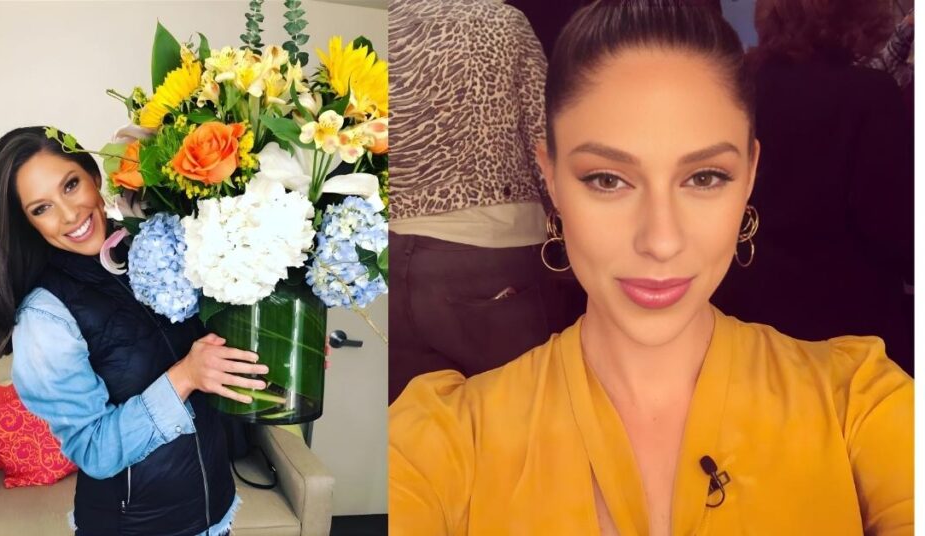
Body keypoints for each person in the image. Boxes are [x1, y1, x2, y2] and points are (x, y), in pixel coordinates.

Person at [388, 2, 913, 535]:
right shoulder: (442, 440)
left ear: (750, 174)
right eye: (607, 180)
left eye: (705, 177)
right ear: (550, 177)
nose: (661, 241)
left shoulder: (860, 404)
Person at [0, 126, 268, 535]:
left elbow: (213, 344)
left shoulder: (150, 244)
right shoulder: (45, 318)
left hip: (213, 513)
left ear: (93, 176)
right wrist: (184, 376)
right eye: (41, 208)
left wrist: (281, 338)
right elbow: (94, 449)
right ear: (26, 224)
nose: (70, 214)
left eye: (71, 185)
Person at [388, 0, 583, 404]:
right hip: (491, 258)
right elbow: (547, 142)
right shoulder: (501, 21)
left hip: (392, 258)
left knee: (416, 431)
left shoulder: (383, 22)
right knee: (517, 426)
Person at [713, 0, 914, 374]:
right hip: (845, 340)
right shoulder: (868, 95)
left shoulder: (734, 88)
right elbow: (896, 230)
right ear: (857, 15)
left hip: (741, 323)